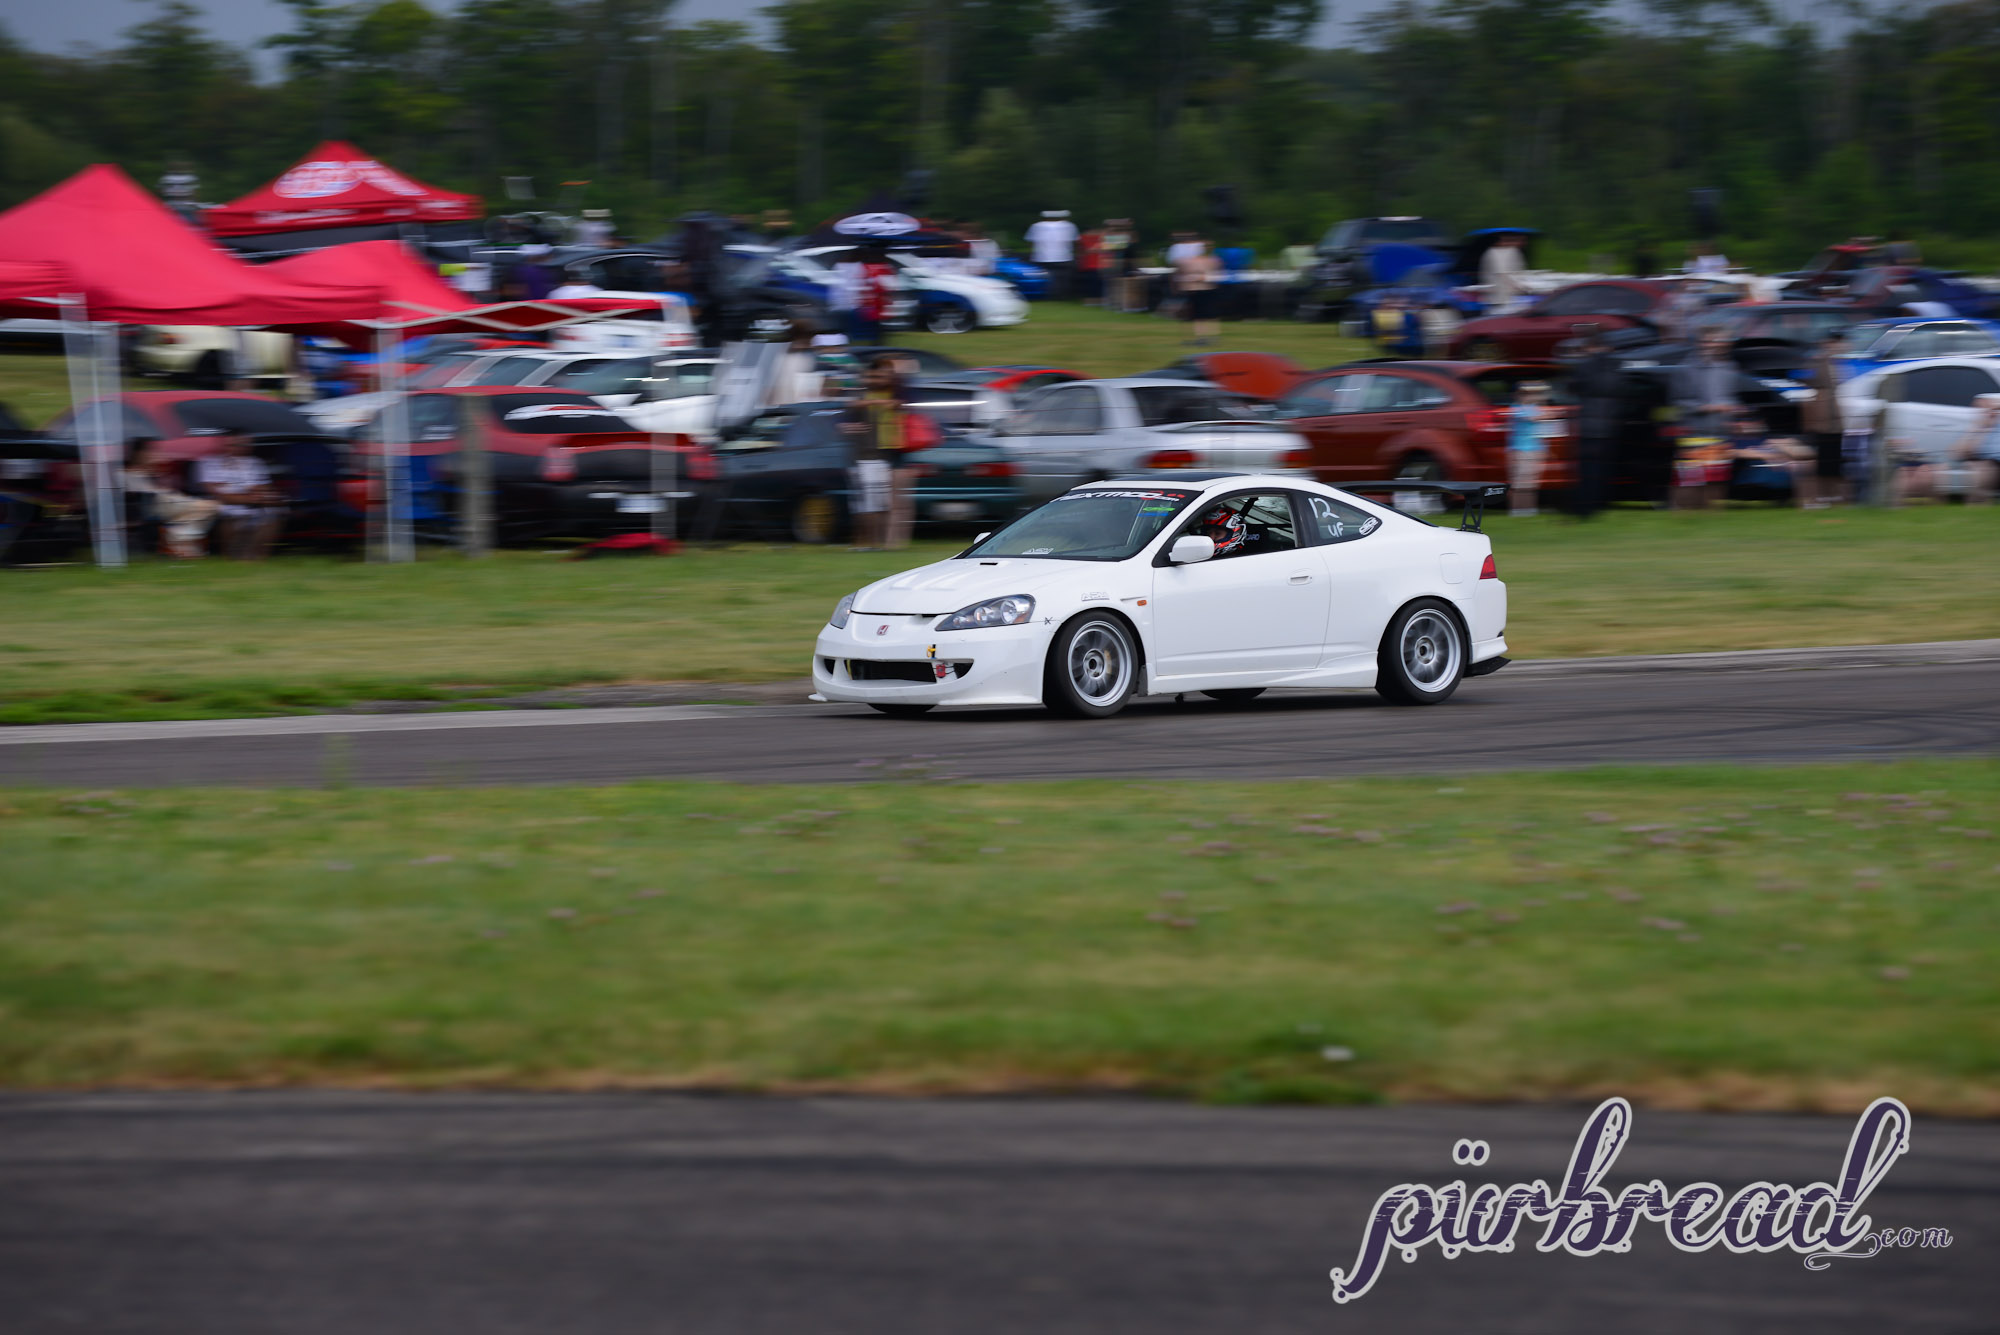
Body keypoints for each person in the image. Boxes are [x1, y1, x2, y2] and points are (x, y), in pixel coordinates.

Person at [1670, 330, 1739, 509]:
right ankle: (1682, 512)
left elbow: (1731, 396)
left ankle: (1709, 514)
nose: (1718, 344)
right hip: (1694, 433)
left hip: (1720, 433)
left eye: (1721, 340)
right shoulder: (1686, 369)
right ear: (1700, 344)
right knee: (1690, 480)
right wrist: (1705, 407)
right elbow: (1678, 401)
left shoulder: (1728, 367)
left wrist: (1733, 409)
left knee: (1715, 480)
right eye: (1711, 341)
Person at [194, 432, 283, 559]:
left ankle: (258, 554)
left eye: (243, 444)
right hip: (220, 503)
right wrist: (247, 495)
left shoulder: (255, 462)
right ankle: (230, 554)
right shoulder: (209, 462)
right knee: (231, 512)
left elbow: (263, 488)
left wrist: (245, 493)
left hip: (251, 502)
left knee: (273, 511)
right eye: (233, 444)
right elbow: (216, 492)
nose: (238, 448)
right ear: (223, 444)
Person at [124, 441, 218, 558]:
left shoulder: (148, 471)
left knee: (207, 508)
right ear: (138, 453)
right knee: (210, 507)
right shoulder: (127, 473)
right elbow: (141, 492)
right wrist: (148, 472)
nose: (154, 454)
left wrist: (152, 472)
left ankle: (177, 536)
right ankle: (177, 536)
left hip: (169, 500)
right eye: (150, 451)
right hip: (159, 503)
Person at [1566, 325, 1623, 517]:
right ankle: (1600, 504)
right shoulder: (1615, 366)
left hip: (1589, 426)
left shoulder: (1584, 366)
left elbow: (1572, 388)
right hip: (1609, 425)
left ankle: (1585, 508)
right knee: (1603, 470)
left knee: (1587, 471)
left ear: (1589, 346)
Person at [1722, 412, 1815, 507]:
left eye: (1751, 420)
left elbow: (1810, 454)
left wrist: (1783, 446)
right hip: (1751, 484)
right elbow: (1729, 452)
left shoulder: (1773, 439)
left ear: (1760, 422)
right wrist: (1764, 455)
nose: (1744, 423)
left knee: (1804, 463)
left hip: (1783, 481)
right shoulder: (1732, 442)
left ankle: (1810, 501)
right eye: (1739, 421)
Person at [1801, 329, 1849, 508]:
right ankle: (1819, 496)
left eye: (1839, 342)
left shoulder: (1842, 364)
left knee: (1834, 459)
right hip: (1822, 420)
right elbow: (1804, 387)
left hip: (1837, 421)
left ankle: (1832, 495)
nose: (1838, 346)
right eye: (1834, 342)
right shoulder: (1815, 364)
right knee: (1822, 459)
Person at [1506, 381, 1556, 516]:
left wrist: (1546, 450)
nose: (1529, 396)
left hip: (1536, 450)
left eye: (1531, 394)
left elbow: (1544, 424)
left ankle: (1529, 509)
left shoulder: (1535, 407)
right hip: (1521, 450)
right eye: (1525, 394)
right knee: (1520, 482)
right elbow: (1534, 418)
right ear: (1517, 395)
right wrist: (1544, 407)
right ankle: (1517, 510)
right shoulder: (1515, 409)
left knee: (1532, 482)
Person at [1173, 235, 1222, 346]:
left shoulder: (1213, 260)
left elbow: (1217, 275)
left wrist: (1203, 277)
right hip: (1194, 290)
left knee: (1209, 315)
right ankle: (1200, 337)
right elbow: (1180, 274)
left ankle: (1211, 337)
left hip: (1207, 289)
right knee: (1197, 316)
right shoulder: (1187, 261)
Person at [766, 320, 826, 407]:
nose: (811, 344)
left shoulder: (805, 359)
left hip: (788, 406)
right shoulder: (802, 360)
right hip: (785, 407)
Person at [1025, 210, 1078, 299]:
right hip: (1063, 257)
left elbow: (1030, 242)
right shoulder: (1069, 225)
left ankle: (1045, 294)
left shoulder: (1036, 226)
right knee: (1063, 278)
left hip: (1041, 257)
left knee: (1044, 277)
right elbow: (1074, 242)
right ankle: (1061, 295)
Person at [1480, 232, 1529, 313]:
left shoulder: (1514, 251)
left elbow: (1518, 272)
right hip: (1501, 298)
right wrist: (1521, 287)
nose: (1524, 243)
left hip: (1510, 297)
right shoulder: (1493, 252)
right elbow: (1502, 274)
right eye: (1520, 240)